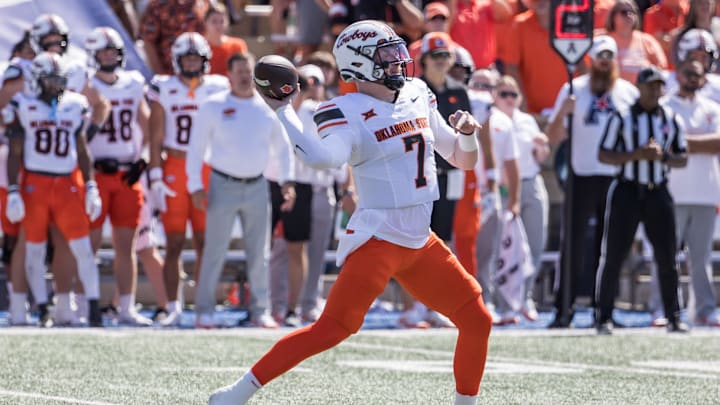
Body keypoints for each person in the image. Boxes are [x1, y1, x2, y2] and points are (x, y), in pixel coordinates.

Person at [209, 20, 492, 405]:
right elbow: (324, 159)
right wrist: (284, 113)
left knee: (477, 319)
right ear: (358, 64)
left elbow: (462, 159)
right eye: (387, 55)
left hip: (419, 238)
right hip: (380, 238)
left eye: (397, 53)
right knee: (331, 329)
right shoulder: (345, 108)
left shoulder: (417, 91)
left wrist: (469, 134)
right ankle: (238, 393)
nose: (398, 62)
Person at [187, 52, 294, 329]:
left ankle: (260, 310)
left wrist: (287, 181)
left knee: (260, 252)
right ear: (230, 74)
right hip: (222, 184)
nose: (245, 76)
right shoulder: (213, 106)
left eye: (249, 71)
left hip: (258, 185)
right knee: (214, 251)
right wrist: (195, 186)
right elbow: (196, 149)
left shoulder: (267, 107)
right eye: (240, 71)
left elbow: (283, 149)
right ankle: (204, 310)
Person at [4, 52, 103, 327]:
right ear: (37, 80)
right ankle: (43, 307)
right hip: (36, 184)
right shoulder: (23, 105)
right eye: (50, 81)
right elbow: (15, 151)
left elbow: (82, 149)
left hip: (67, 185)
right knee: (34, 250)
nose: (56, 87)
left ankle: (94, 307)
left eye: (59, 81)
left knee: (82, 247)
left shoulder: (74, 104)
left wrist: (91, 184)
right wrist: (13, 190)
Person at [546, 35, 639, 328]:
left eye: (610, 56)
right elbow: (553, 135)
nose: (604, 61)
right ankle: (564, 309)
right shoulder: (573, 89)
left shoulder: (627, 92)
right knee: (571, 245)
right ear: (591, 58)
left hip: (616, 176)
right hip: (581, 174)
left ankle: (605, 311)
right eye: (600, 55)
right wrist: (564, 111)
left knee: (611, 246)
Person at [595, 66, 689, 334]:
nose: (655, 91)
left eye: (659, 86)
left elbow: (682, 157)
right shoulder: (622, 117)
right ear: (640, 87)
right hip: (627, 190)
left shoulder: (671, 118)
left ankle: (674, 316)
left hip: (658, 190)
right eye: (650, 86)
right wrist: (636, 155)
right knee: (613, 255)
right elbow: (604, 154)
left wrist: (662, 157)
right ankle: (604, 317)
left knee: (668, 256)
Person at [147, 32, 229, 326]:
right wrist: (155, 175)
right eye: (188, 58)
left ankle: (203, 305)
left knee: (206, 241)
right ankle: (172, 307)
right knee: (174, 242)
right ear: (177, 61)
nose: (192, 64)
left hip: (207, 167)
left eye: (196, 58)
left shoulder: (219, 87)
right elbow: (155, 136)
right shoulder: (164, 87)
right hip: (176, 166)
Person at [83, 27, 153, 326]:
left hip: (127, 172)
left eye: (113, 51)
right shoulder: (85, 86)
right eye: (104, 52)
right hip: (97, 171)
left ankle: (126, 307)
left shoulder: (133, 83)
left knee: (127, 245)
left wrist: (145, 158)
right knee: (90, 244)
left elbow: (147, 124)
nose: (110, 56)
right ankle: (86, 304)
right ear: (93, 55)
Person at [269, 64, 345, 326]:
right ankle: (278, 303)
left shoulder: (322, 112)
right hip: (291, 186)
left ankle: (307, 303)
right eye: (304, 83)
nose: (310, 88)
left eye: (314, 83)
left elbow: (337, 153)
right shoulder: (289, 111)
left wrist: (344, 186)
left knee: (314, 252)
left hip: (320, 186)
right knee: (284, 249)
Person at [665, 59, 720, 327]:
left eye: (698, 75)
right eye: (688, 73)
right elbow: (658, 143)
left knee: (701, 258)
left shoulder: (712, 108)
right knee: (664, 256)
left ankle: (705, 309)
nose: (693, 78)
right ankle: (664, 307)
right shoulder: (665, 106)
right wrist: (699, 142)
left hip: (706, 192)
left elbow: (717, 143)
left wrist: (680, 141)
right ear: (678, 74)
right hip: (672, 193)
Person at [493, 75, 549, 321]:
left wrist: (542, 147)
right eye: (503, 94)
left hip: (531, 182)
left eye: (513, 94)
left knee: (534, 245)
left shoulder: (527, 121)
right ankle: (504, 303)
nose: (509, 99)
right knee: (504, 246)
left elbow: (541, 158)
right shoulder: (492, 120)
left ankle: (526, 298)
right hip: (504, 188)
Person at [603, 0, 668, 83]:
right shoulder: (604, 40)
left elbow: (661, 67)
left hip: (644, 92)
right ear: (613, 15)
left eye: (632, 12)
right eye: (624, 12)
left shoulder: (647, 40)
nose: (629, 15)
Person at [138, 0, 209, 74]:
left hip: (201, 75)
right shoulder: (157, 5)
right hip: (171, 75)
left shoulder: (203, 2)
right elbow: (148, 41)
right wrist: (161, 75)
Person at [203, 3, 248, 76]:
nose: (218, 26)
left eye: (222, 21)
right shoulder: (200, 46)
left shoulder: (237, 45)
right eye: (214, 21)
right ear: (205, 23)